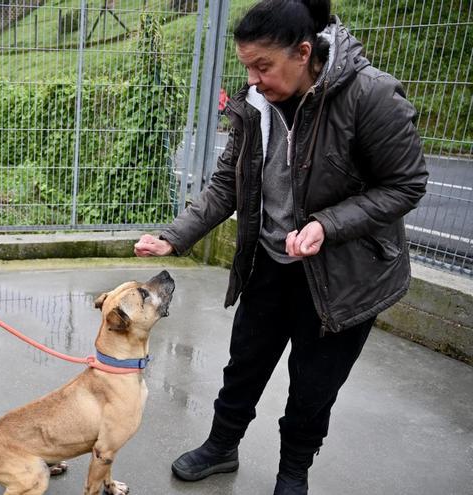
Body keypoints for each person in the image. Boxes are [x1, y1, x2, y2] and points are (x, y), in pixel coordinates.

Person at [134, 0, 427, 493]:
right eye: (246, 66)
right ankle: (221, 446)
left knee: (313, 388)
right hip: (271, 262)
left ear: (304, 52)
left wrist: (328, 225)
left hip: (344, 274)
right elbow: (229, 180)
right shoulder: (257, 104)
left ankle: (293, 472)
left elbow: (406, 185)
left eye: (262, 66)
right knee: (244, 363)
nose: (252, 79)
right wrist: (175, 234)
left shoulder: (370, 95)